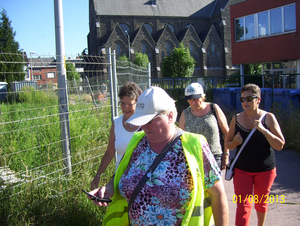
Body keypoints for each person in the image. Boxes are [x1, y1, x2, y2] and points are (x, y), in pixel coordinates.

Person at [88, 86, 229, 226]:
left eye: (150, 121)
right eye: (141, 121)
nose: (144, 126)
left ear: (170, 116)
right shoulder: (137, 142)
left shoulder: (195, 145)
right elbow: (122, 175)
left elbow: (218, 195)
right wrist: (109, 188)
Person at [225, 84, 285, 226]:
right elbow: (227, 144)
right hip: (242, 170)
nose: (245, 102)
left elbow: (280, 145)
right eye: (242, 99)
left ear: (258, 100)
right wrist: (234, 142)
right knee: (243, 206)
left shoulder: (268, 118)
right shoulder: (236, 119)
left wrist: (264, 130)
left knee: (261, 203)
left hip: (265, 170)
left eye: (249, 99)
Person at [90, 82, 142, 190]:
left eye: (129, 103)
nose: (125, 107)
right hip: (120, 180)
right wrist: (98, 175)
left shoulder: (146, 125)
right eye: (122, 103)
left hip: (141, 183)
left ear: (138, 103)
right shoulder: (117, 123)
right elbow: (109, 152)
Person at [179, 82, 229, 170]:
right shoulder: (185, 113)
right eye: (190, 99)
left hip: (214, 156)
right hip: (192, 158)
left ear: (202, 96)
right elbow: (180, 138)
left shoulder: (214, 108)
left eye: (196, 98)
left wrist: (226, 154)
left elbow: (226, 133)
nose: (193, 102)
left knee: (215, 184)